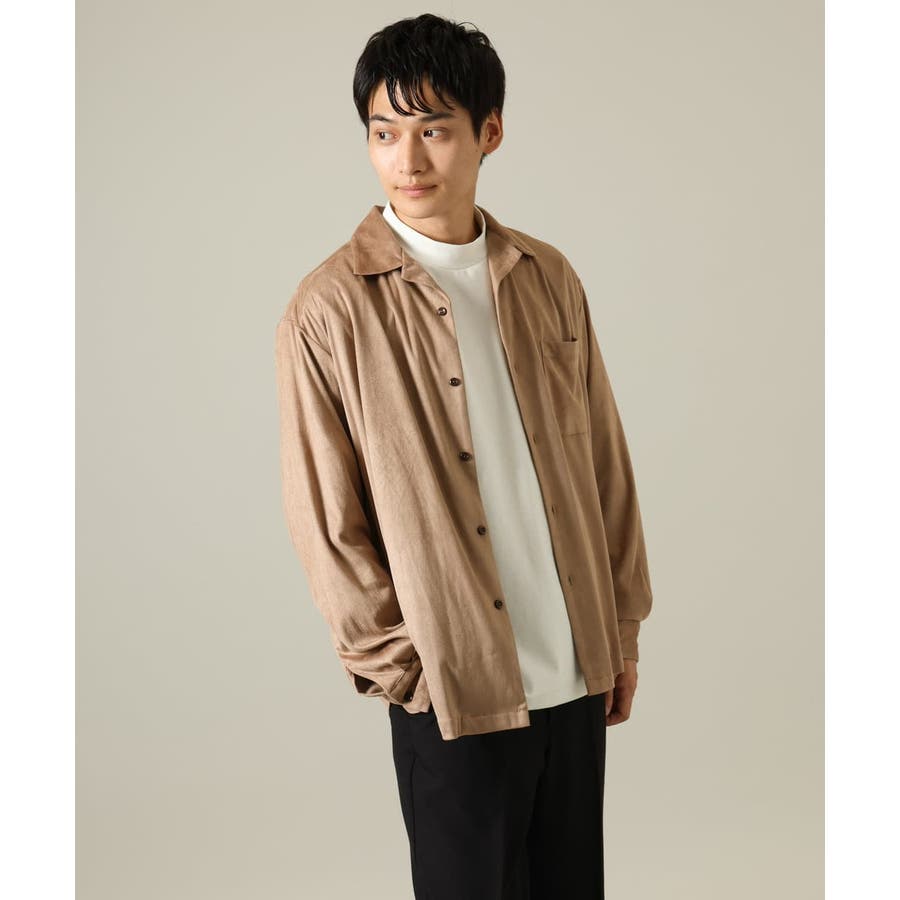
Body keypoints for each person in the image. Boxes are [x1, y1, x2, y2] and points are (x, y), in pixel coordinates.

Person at [274, 12, 654, 899]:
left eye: (434, 130)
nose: (407, 160)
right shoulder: (330, 310)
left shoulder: (547, 276)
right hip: (453, 689)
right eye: (384, 133)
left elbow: (605, 463)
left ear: (490, 132)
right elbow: (325, 518)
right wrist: (406, 670)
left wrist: (619, 631)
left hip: (575, 671)